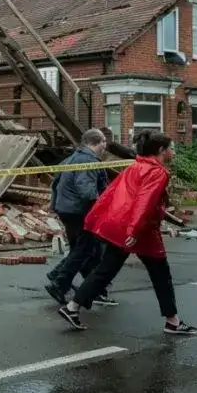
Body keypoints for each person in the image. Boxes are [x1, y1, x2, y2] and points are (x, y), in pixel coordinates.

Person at [57, 130, 197, 335]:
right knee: (161, 274)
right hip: (141, 231)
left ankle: (72, 307)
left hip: (122, 226)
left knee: (105, 270)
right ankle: (172, 321)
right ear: (161, 150)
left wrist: (98, 219)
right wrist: (134, 229)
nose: (173, 152)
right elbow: (145, 201)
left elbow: (114, 193)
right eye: (171, 148)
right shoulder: (158, 172)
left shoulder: (136, 166)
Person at [44, 128, 118, 306]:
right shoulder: (88, 161)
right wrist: (101, 209)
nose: (105, 147)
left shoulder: (71, 159)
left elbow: (56, 184)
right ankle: (60, 282)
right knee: (86, 250)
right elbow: (87, 191)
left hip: (67, 210)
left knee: (84, 250)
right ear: (97, 142)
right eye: (104, 143)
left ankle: (91, 289)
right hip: (81, 212)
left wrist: (55, 206)